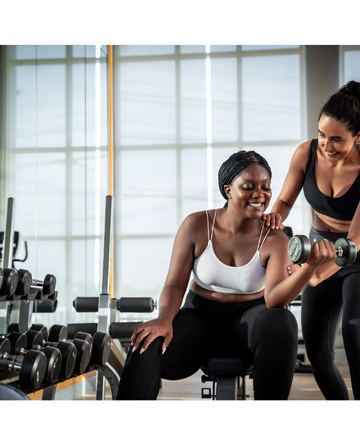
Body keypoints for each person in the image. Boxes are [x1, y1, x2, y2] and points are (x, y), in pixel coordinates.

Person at [116, 150, 336, 400]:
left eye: (266, 187)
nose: (259, 194)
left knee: (282, 322)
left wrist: (309, 268)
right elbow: (175, 285)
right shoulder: (197, 225)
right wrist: (164, 318)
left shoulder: (275, 239)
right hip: (199, 317)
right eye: (248, 186)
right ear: (228, 189)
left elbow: (275, 300)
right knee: (147, 339)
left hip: (249, 324)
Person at [263, 80, 360, 400]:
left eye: (337, 139)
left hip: (359, 259)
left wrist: (315, 272)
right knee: (317, 351)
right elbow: (285, 202)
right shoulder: (306, 153)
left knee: (356, 336)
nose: (326, 145)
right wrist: (275, 219)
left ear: (359, 135)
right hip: (317, 249)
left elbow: (353, 242)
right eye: (321, 134)